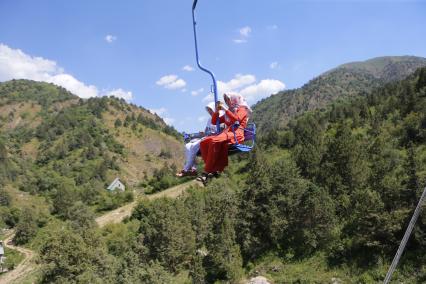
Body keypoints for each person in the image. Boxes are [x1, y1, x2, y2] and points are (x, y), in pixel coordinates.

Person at [197, 93, 251, 182]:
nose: (227, 102)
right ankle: (213, 168)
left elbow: (236, 119)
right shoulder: (229, 110)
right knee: (204, 142)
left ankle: (206, 172)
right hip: (227, 133)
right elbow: (214, 121)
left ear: (234, 100)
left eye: (228, 99)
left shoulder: (242, 109)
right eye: (226, 100)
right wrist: (217, 111)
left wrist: (225, 110)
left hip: (236, 133)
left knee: (214, 141)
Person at [176, 102, 219, 177]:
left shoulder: (219, 119)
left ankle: (186, 169)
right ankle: (193, 169)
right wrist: (203, 133)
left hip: (212, 138)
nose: (209, 112)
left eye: (210, 110)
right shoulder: (209, 120)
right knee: (187, 145)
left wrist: (208, 133)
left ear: (214, 109)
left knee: (193, 147)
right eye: (208, 110)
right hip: (206, 137)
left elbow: (218, 131)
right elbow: (206, 132)